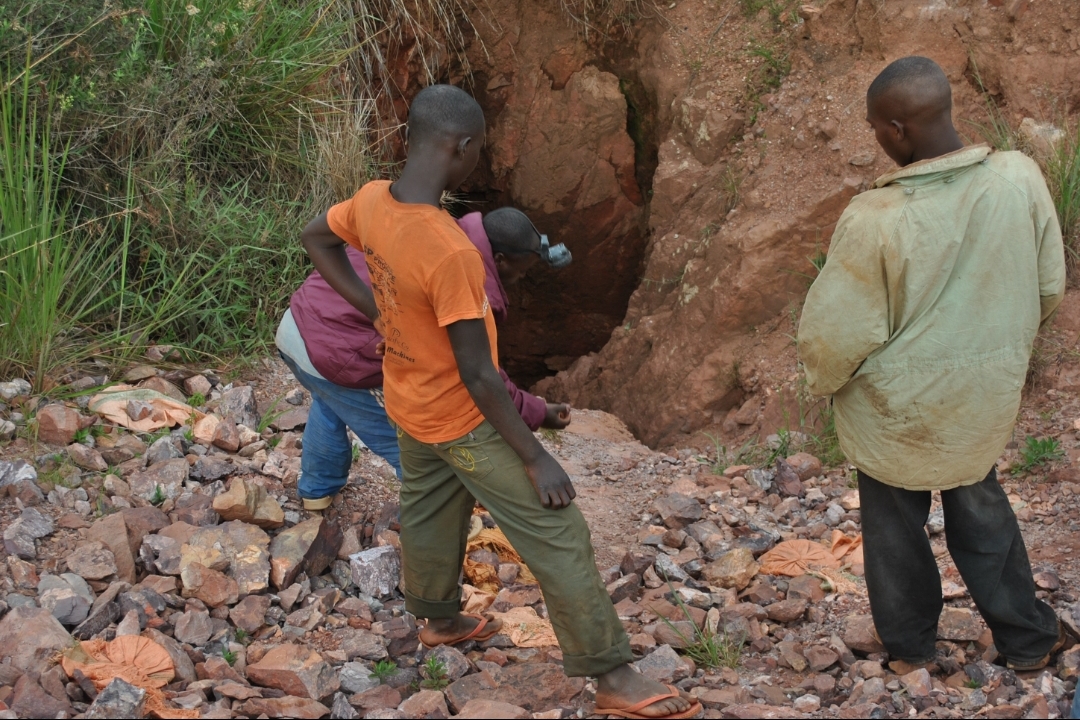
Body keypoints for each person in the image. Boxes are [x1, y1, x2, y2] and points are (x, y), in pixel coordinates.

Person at [301, 83, 698, 719]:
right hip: (461, 419)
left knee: (431, 509)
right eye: (480, 146)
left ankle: (437, 621)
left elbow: (316, 237)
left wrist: (377, 311)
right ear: (463, 148)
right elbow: (481, 375)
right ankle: (613, 677)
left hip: (408, 404)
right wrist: (537, 456)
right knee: (558, 533)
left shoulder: (373, 202)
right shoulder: (451, 252)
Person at [798, 56, 1068, 673]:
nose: (876, 139)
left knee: (894, 528)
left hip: (894, 409)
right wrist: (997, 347)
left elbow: (834, 335)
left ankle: (911, 653)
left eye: (874, 129)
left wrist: (827, 384)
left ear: (896, 129)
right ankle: (1027, 641)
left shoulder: (876, 218)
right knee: (981, 503)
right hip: (980, 393)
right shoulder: (1017, 178)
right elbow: (1048, 284)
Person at [276, 205, 572, 511]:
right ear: (499, 260)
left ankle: (316, 490)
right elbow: (481, 373)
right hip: (339, 353)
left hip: (296, 327)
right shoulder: (465, 280)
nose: (520, 278)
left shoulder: (434, 226)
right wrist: (537, 412)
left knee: (331, 401)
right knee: (415, 448)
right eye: (521, 270)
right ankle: (429, 526)